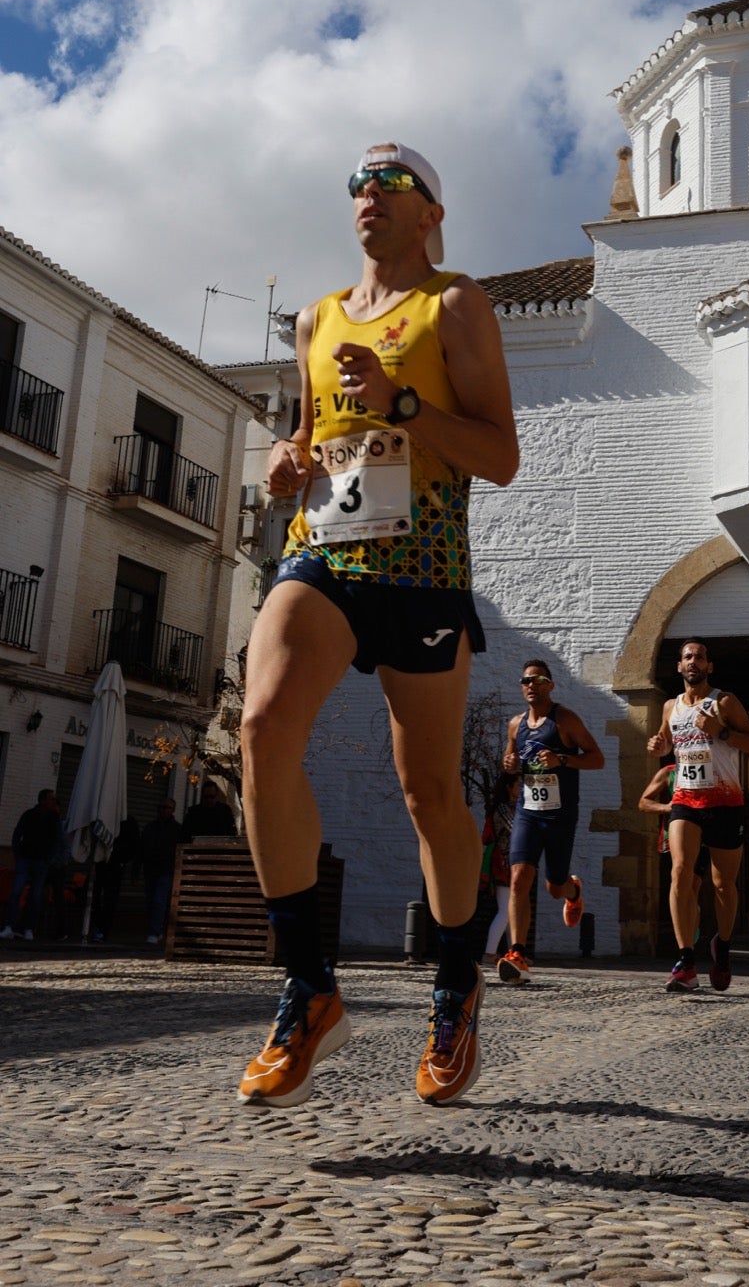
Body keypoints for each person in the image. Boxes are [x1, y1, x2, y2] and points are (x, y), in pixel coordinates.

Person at [238, 140, 518, 1109]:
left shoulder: (454, 306)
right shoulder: (315, 317)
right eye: (357, 183)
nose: (369, 196)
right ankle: (309, 985)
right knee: (262, 724)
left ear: (430, 212)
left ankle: (455, 980)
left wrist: (403, 402)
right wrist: (287, 460)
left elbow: (500, 454)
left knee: (429, 792)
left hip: (424, 568)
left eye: (390, 184)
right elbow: (313, 439)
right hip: (326, 553)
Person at [647, 639, 749, 993]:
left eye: (699, 657)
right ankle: (685, 961)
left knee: (722, 885)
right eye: (686, 657)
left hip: (726, 802)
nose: (692, 661)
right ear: (679, 667)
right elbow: (666, 741)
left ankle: (721, 948)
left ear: (709, 666)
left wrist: (722, 731)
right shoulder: (670, 706)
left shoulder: (725, 701)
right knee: (679, 871)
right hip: (685, 800)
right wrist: (658, 746)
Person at [496, 661, 605, 984]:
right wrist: (509, 764)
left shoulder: (565, 720)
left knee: (554, 887)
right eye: (526, 680)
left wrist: (563, 760)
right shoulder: (516, 724)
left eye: (538, 680)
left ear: (550, 685)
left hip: (559, 814)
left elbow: (597, 758)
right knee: (518, 879)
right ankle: (517, 952)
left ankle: (573, 891)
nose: (531, 685)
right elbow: (510, 763)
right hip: (528, 812)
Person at [638, 762, 709, 943]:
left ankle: (689, 936)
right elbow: (643, 802)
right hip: (674, 837)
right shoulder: (668, 772)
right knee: (682, 880)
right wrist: (670, 807)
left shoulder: (712, 767)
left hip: (704, 834)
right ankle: (687, 942)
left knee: (693, 883)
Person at [0, 789, 62, 942]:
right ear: (42, 800)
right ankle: (10, 926)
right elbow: (17, 833)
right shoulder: (29, 815)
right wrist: (17, 854)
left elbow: (57, 840)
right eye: (51, 799)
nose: (53, 801)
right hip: (25, 858)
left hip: (41, 861)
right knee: (16, 892)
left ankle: (28, 928)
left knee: (35, 896)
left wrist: (49, 859)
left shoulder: (54, 819)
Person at [480, 772, 518, 961]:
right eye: (518, 785)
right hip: (504, 864)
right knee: (505, 910)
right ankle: (490, 952)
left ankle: (515, 952)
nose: (521, 789)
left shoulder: (511, 808)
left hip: (510, 863)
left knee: (511, 911)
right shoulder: (503, 810)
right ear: (509, 788)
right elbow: (517, 828)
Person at [138, 797, 184, 945]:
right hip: (151, 870)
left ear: (173, 810)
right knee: (152, 901)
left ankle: (154, 932)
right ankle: (157, 930)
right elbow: (141, 850)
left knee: (159, 901)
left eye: (167, 808)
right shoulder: (150, 828)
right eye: (161, 807)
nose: (163, 810)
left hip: (167, 871)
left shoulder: (177, 830)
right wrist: (136, 870)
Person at [91, 814, 140, 942]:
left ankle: (103, 929)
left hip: (115, 865)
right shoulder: (103, 816)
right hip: (100, 863)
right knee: (95, 895)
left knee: (110, 898)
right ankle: (94, 925)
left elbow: (134, 844)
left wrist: (121, 860)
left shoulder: (128, 821)